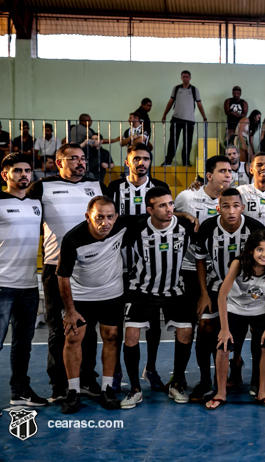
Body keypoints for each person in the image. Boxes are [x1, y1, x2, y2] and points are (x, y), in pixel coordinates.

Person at [21, 145, 107, 402]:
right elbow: (17, 202)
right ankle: (59, 384)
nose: (81, 163)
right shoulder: (41, 187)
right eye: (74, 159)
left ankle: (88, 380)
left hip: (91, 267)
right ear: (59, 163)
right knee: (59, 329)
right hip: (55, 268)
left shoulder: (97, 186)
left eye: (83, 158)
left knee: (88, 329)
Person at [0, 154, 46, 418]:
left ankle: (20, 390)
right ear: (5, 175)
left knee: (23, 343)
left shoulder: (38, 203)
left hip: (28, 285)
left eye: (27, 170)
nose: (24, 175)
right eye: (17, 170)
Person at [121, 187, 196, 408]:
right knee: (131, 334)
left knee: (186, 331)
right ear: (149, 209)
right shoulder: (135, 228)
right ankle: (135, 388)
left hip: (175, 290)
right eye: (162, 205)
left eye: (171, 204)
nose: (169, 208)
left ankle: (177, 382)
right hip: (142, 289)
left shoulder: (186, 226)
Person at [56, 196, 132, 413]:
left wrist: (183, 215)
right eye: (99, 217)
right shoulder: (73, 239)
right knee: (72, 339)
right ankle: (73, 391)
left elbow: (157, 215)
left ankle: (107, 388)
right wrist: (70, 311)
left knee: (111, 338)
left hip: (112, 295)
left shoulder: (122, 226)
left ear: (116, 217)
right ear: (88, 216)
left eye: (110, 217)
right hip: (81, 298)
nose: (105, 223)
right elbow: (62, 276)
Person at [190, 188, 264, 408]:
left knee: (243, 328)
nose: (231, 211)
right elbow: (200, 260)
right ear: (218, 208)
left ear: (242, 207)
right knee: (205, 326)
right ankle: (205, 381)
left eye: (235, 206)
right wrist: (204, 293)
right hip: (215, 285)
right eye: (226, 206)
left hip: (247, 289)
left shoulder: (255, 228)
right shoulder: (208, 228)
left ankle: (240, 367)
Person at [105, 143, 169, 391]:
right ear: (127, 162)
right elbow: (109, 218)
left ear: (150, 162)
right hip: (118, 264)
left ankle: (150, 369)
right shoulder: (114, 188)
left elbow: (166, 219)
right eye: (136, 158)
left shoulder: (160, 188)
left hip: (150, 266)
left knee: (152, 322)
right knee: (121, 323)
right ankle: (119, 371)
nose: (141, 163)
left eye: (145, 158)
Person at [174, 155, 234, 402]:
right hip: (190, 270)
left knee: (220, 328)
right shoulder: (188, 197)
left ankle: (229, 375)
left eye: (230, 170)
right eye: (223, 171)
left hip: (223, 272)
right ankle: (185, 379)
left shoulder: (233, 198)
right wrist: (184, 216)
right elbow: (170, 213)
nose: (228, 174)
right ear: (209, 175)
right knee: (194, 327)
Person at [214, 229, 265, 409]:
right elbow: (222, 295)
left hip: (259, 310)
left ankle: (262, 391)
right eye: (260, 250)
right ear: (251, 250)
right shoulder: (238, 264)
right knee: (223, 346)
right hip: (234, 308)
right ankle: (220, 393)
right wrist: (224, 328)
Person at [161, 70, 208, 167]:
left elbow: (199, 104)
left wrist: (204, 117)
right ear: (181, 78)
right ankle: (168, 161)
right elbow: (170, 102)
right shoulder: (176, 88)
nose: (185, 78)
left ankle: (186, 161)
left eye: (187, 77)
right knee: (173, 141)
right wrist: (164, 114)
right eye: (183, 76)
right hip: (176, 118)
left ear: (190, 78)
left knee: (188, 142)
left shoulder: (194, 90)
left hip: (189, 120)